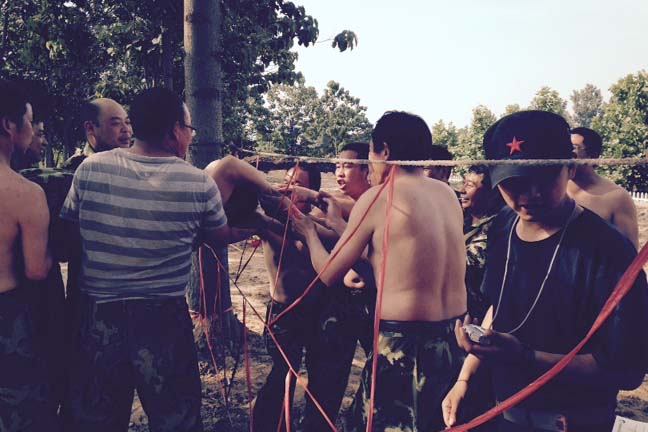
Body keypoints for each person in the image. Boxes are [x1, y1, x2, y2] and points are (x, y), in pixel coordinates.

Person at [60, 88, 257, 431]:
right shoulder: (198, 183)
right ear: (174, 130)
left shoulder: (90, 170)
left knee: (96, 420)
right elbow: (218, 235)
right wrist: (258, 227)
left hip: (99, 319)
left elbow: (71, 229)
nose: (190, 137)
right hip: (163, 319)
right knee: (175, 418)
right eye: (189, 128)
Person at [442, 111, 648, 432]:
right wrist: (465, 377)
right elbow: (499, 307)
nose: (530, 195)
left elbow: (625, 370)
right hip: (506, 414)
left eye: (544, 178)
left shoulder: (609, 252)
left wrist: (526, 357)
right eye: (515, 183)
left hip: (574, 422)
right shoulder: (504, 225)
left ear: (570, 168)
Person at [291, 111, 467, 431]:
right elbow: (396, 255)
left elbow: (329, 273)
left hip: (404, 343)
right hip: (452, 339)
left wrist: (308, 232)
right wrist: (337, 223)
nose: (371, 163)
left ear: (384, 151)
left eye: (371, 154)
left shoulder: (379, 197)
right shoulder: (446, 195)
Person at [0, 79, 56, 430]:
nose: (33, 130)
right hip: (8, 318)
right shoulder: (25, 193)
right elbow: (36, 270)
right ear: (9, 124)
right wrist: (54, 250)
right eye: (30, 121)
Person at [567, 127, 639, 248]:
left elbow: (629, 251)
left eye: (574, 148)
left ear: (592, 155)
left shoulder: (617, 197)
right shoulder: (552, 190)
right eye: (565, 148)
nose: (567, 154)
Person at [460, 165, 504, 321]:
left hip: (480, 314)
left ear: (491, 193)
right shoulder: (457, 217)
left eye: (470, 185)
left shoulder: (500, 225)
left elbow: (473, 260)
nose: (462, 190)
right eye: (464, 183)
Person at [61, 98, 132, 171]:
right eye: (116, 123)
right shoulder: (76, 170)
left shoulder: (134, 165)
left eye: (127, 122)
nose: (126, 129)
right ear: (90, 128)